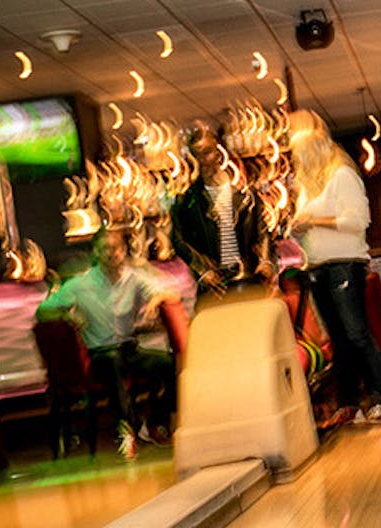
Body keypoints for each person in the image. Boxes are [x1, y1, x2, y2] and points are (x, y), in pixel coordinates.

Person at [289, 110, 381, 425]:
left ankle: (380, 398)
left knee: (356, 333)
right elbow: (305, 222)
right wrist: (298, 227)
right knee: (338, 338)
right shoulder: (306, 186)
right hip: (317, 266)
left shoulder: (342, 175)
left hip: (344, 265)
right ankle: (348, 403)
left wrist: (315, 221)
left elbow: (359, 221)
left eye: (299, 152)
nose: (296, 159)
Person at [36, 227, 180, 460]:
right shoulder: (80, 284)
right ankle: (126, 430)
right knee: (112, 362)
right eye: (105, 249)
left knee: (171, 365)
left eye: (116, 248)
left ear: (124, 251)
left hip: (129, 348)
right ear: (96, 253)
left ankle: (154, 424)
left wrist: (155, 300)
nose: (112, 253)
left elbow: (171, 293)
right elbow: (43, 310)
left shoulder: (134, 278)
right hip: (100, 354)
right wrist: (67, 316)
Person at [171, 122, 275, 303]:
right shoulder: (186, 201)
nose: (203, 160)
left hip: (248, 280)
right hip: (214, 287)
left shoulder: (246, 196)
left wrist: (265, 260)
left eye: (207, 152)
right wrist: (203, 271)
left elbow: (262, 231)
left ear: (219, 152)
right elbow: (179, 241)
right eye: (196, 155)